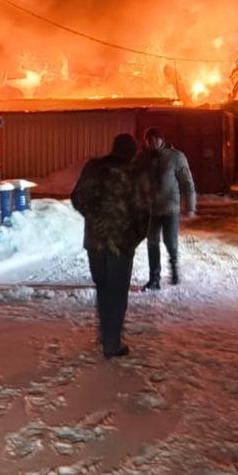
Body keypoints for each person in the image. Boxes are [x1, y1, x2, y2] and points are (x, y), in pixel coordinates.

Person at [71, 134, 151, 358]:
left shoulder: (93, 169)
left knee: (103, 288)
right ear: (132, 153)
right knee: (117, 292)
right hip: (121, 244)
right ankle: (111, 342)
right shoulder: (135, 175)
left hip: (95, 241)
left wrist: (96, 219)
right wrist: (134, 236)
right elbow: (145, 213)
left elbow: (77, 198)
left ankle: (106, 334)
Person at [136, 127, 197, 289]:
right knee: (152, 242)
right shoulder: (142, 158)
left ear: (162, 140)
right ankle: (154, 278)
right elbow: (133, 179)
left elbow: (186, 181)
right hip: (151, 209)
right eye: (150, 139)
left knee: (170, 241)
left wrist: (190, 205)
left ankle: (174, 267)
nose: (154, 142)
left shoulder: (175, 157)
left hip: (170, 207)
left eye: (157, 139)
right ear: (146, 142)